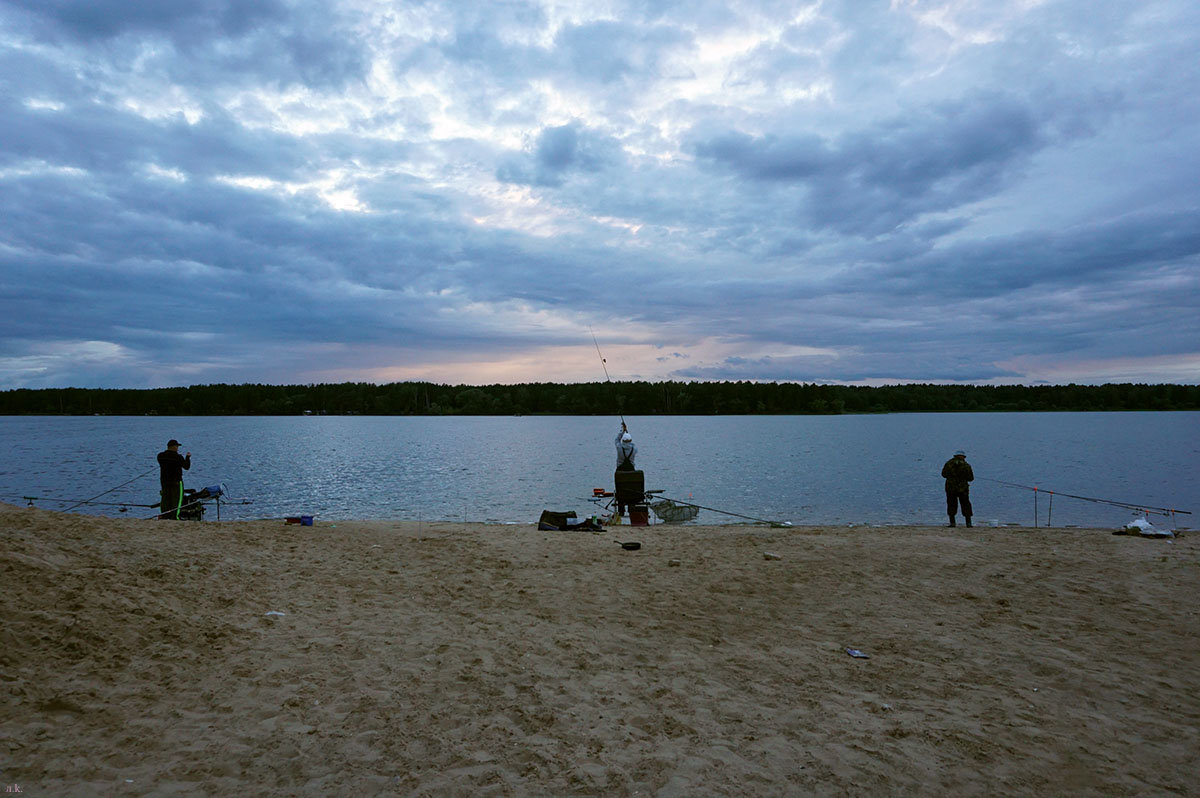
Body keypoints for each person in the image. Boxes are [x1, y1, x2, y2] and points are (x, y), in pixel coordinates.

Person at [157, 439, 191, 520]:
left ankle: (165, 516)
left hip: (164, 481)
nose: (177, 448)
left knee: (165, 499)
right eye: (177, 446)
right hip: (176, 481)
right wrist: (187, 457)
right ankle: (175, 517)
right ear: (174, 447)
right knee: (177, 500)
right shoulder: (178, 457)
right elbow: (186, 467)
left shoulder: (160, 456)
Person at [941, 449, 974, 527]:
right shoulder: (966, 465)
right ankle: (968, 523)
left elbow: (943, 474)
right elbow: (971, 478)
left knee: (951, 504)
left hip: (950, 488)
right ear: (963, 457)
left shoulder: (948, 464)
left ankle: (952, 523)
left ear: (955, 456)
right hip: (963, 489)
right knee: (966, 504)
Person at [613, 422, 639, 517]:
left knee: (620, 490)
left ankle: (621, 510)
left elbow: (616, 440)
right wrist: (627, 432)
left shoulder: (619, 448)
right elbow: (633, 444)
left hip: (620, 473)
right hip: (632, 473)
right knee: (632, 489)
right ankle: (631, 508)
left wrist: (622, 431)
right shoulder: (634, 449)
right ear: (630, 440)